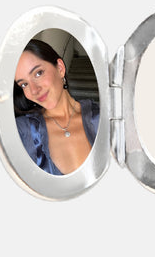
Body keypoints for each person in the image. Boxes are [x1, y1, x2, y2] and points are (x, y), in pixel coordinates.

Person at [13, 37, 100, 175]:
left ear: (60, 68)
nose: (34, 90)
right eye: (24, 84)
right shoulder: (21, 131)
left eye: (38, 73)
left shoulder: (103, 117)